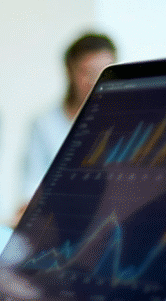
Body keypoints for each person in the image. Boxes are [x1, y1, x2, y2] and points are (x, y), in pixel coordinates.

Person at [20, 32, 117, 204]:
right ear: (70, 72)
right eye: (88, 72)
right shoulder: (44, 124)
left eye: (105, 72)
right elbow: (32, 185)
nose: (97, 81)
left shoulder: (126, 122)